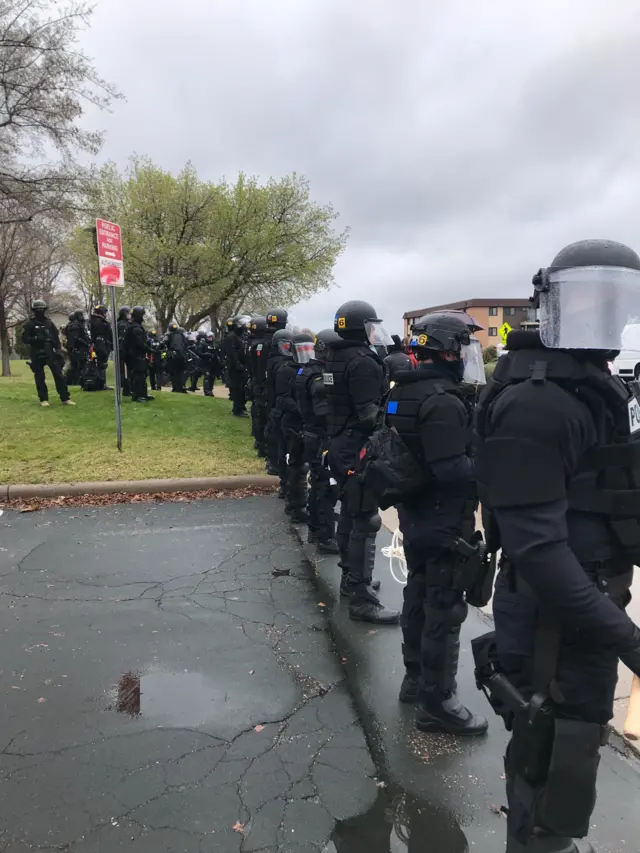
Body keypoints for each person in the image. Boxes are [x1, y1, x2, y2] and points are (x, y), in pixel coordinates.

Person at [474, 239, 640, 853]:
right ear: (556, 306)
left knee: (563, 771)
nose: (616, 316)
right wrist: (630, 643)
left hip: (581, 610)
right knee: (551, 777)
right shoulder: (541, 403)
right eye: (599, 299)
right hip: (556, 623)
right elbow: (540, 550)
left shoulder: (586, 386)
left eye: (622, 299)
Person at [384, 312, 488, 736]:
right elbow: (452, 470)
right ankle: (438, 701)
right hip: (443, 515)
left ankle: (415, 679)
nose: (468, 355)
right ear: (447, 350)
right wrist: (491, 468)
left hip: (417, 512)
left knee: (420, 593)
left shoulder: (402, 392)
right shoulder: (443, 401)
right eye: (464, 346)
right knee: (443, 607)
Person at [323, 299, 398, 624]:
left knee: (351, 514)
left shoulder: (333, 356)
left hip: (338, 443)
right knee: (365, 519)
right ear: (360, 328)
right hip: (357, 446)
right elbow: (369, 415)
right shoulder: (364, 362)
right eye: (370, 325)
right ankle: (362, 597)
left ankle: (350, 581)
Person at [295, 328, 341, 552]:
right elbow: (324, 412)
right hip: (320, 436)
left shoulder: (307, 370)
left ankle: (315, 530)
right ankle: (324, 536)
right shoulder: (320, 376)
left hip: (311, 434)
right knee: (325, 487)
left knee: (318, 483)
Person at [276, 331, 314, 523]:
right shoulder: (286, 370)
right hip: (292, 423)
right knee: (297, 466)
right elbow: (282, 398)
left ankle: (304, 503)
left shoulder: (312, 370)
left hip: (307, 423)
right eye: (302, 350)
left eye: (308, 349)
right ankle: (295, 505)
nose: (305, 354)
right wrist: (302, 410)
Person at [22, 300, 75, 407]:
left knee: (58, 375)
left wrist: (59, 351)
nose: (40, 311)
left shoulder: (49, 323)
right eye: (38, 310)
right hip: (36, 352)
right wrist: (36, 338)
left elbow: (56, 338)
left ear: (45, 310)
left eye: (42, 309)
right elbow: (25, 339)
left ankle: (65, 398)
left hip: (50, 352)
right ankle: (43, 399)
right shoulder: (30, 324)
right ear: (34, 310)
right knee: (40, 377)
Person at [265, 328, 294, 497]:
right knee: (286, 449)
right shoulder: (282, 365)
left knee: (281, 447)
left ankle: (284, 485)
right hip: (280, 408)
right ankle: (286, 485)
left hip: (274, 406)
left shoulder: (271, 361)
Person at [247, 316, 270, 455]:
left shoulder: (253, 344)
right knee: (265, 415)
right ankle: (264, 445)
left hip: (256, 382)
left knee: (258, 413)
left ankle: (259, 441)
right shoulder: (270, 344)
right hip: (265, 384)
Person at [124, 306, 153, 403]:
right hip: (135, 355)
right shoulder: (135, 328)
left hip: (136, 354)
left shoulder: (134, 325)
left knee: (142, 375)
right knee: (138, 375)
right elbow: (140, 343)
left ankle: (143, 394)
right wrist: (149, 349)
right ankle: (137, 396)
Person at [222, 316, 249, 417]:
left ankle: (241, 406)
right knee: (238, 388)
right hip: (235, 367)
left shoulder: (241, 336)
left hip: (241, 365)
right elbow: (231, 353)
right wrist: (237, 364)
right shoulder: (231, 337)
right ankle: (237, 410)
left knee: (242, 387)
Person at [89, 304, 113, 391]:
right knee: (102, 364)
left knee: (99, 364)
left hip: (97, 345)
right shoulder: (100, 322)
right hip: (101, 345)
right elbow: (107, 333)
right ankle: (102, 384)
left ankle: (100, 383)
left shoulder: (93, 321)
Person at [64, 310, 91, 386]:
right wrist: (86, 343)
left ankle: (74, 381)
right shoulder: (75, 326)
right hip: (78, 349)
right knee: (78, 366)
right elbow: (75, 338)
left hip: (77, 348)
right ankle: (75, 381)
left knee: (77, 366)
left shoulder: (78, 324)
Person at [165, 322, 187, 392]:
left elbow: (164, 344)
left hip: (173, 356)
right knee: (180, 372)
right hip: (181, 356)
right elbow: (186, 344)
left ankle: (176, 388)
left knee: (174, 372)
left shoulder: (168, 335)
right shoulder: (181, 335)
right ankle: (181, 387)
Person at [117, 306, 131, 396]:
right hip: (124, 349)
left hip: (124, 349)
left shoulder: (125, 323)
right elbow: (123, 337)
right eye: (128, 313)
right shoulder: (122, 324)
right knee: (125, 370)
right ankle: (126, 388)